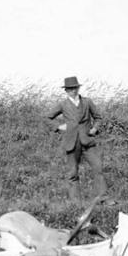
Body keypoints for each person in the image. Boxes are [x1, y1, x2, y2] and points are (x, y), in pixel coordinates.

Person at [47, 75, 113, 205]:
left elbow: (98, 117)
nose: (73, 91)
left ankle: (104, 198)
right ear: (66, 90)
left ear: (78, 88)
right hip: (71, 143)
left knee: (98, 168)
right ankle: (76, 203)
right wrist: (59, 127)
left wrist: (95, 129)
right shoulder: (63, 104)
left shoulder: (87, 102)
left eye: (75, 88)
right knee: (73, 174)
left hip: (88, 142)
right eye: (70, 88)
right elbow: (47, 117)